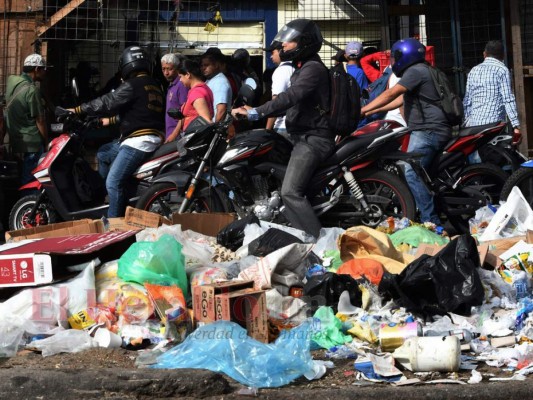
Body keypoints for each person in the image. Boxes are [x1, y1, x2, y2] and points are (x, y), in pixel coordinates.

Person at [232, 19, 333, 240]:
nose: (284, 45)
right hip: (300, 137)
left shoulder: (313, 69)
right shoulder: (301, 68)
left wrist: (256, 112)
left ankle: (316, 242)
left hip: (312, 139)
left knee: (290, 192)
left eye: (289, 42)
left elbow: (289, 97)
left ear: (305, 43)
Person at [361, 38, 452, 225]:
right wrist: (372, 110)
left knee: (410, 171)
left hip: (428, 131)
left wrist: (361, 110)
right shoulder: (426, 69)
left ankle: (430, 221)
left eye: (395, 57)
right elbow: (401, 100)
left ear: (405, 55)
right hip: (432, 128)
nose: (393, 61)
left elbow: (391, 94)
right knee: (418, 172)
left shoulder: (414, 72)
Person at [69, 46, 165, 217]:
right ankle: (106, 198)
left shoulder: (132, 84)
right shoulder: (153, 84)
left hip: (138, 142)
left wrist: (76, 110)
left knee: (113, 182)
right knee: (103, 154)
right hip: (145, 138)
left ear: (126, 64)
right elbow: (138, 113)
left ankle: (113, 225)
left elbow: (107, 102)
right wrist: (106, 121)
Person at [4, 53, 49, 186]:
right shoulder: (31, 90)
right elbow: (40, 120)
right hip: (32, 143)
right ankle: (28, 204)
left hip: (17, 139)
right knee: (31, 180)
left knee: (24, 176)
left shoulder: (12, 85)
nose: (45, 72)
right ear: (36, 69)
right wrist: (46, 142)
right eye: (43, 69)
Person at [463, 40, 521, 141]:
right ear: (503, 56)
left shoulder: (474, 70)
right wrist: (515, 126)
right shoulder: (502, 70)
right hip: (493, 126)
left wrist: (467, 122)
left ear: (484, 54)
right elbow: (508, 99)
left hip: (474, 126)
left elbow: (467, 100)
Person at [165, 59, 214, 143]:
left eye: (180, 77)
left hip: (194, 140)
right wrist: (174, 135)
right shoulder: (202, 88)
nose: (180, 80)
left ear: (187, 75)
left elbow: (206, 120)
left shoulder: (197, 93)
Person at [265, 40, 295, 138]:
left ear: (281, 51)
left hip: (283, 127)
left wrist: (267, 130)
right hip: (295, 125)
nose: (271, 56)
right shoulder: (295, 68)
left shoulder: (281, 71)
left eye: (273, 52)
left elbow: (276, 103)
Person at [161, 53, 189, 140]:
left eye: (169, 69)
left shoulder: (181, 85)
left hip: (177, 136)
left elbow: (185, 113)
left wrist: (174, 135)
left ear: (177, 69)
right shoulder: (172, 85)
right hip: (170, 134)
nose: (166, 73)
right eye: (163, 69)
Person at [200, 52, 232, 122]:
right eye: (202, 65)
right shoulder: (211, 79)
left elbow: (221, 110)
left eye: (206, 65)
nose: (203, 68)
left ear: (216, 65)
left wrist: (215, 129)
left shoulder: (220, 82)